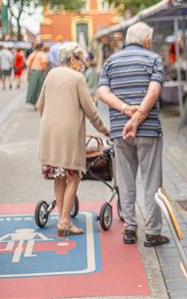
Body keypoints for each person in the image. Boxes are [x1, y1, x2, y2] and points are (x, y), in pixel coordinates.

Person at [98, 22, 169, 247]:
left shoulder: (110, 61)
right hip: (148, 130)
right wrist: (137, 117)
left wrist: (124, 109)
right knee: (151, 182)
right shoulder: (153, 59)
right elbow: (154, 91)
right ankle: (153, 232)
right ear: (146, 40)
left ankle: (129, 228)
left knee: (126, 181)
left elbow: (102, 92)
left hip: (120, 130)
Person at [37, 42, 109, 236]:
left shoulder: (51, 74)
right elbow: (90, 110)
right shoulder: (78, 78)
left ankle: (62, 218)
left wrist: (49, 120)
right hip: (69, 133)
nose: (83, 65)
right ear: (72, 59)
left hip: (49, 131)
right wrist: (104, 130)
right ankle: (65, 221)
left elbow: (39, 105)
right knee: (74, 176)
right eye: (81, 61)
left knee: (58, 175)